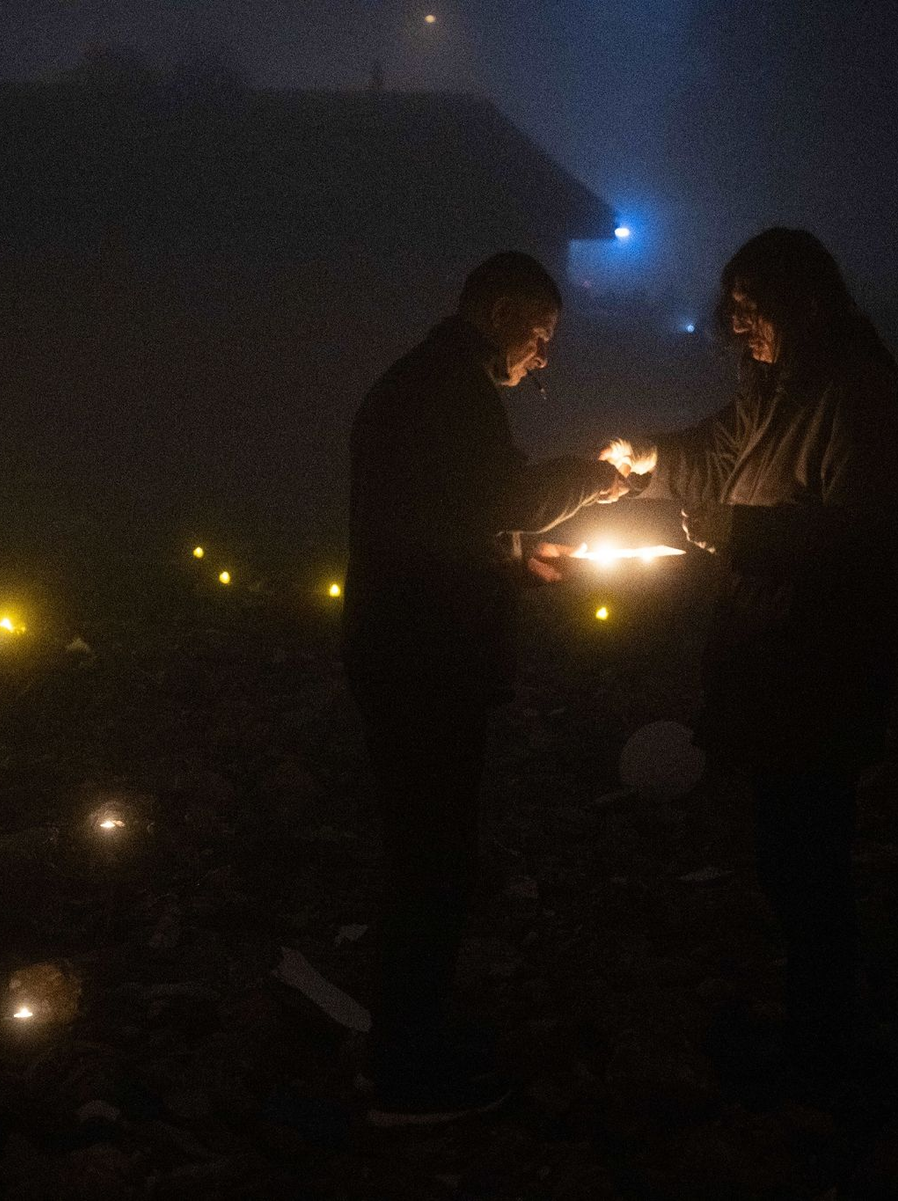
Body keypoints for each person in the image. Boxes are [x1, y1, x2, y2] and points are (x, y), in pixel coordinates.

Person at [601, 227, 898, 1095]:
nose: (737, 326)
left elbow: (863, 532)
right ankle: (816, 1032)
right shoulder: (778, 389)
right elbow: (715, 450)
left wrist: (741, 531)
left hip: (821, 665)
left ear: (801, 302)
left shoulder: (858, 393)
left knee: (810, 860)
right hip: (775, 663)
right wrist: (651, 459)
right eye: (731, 310)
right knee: (786, 853)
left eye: (750, 307)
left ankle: (826, 1054)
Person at [344, 251, 628, 1126]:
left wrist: (513, 562)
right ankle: (408, 1073)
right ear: (502, 311)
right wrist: (597, 476)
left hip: (408, 650)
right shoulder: (448, 390)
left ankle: (411, 1032)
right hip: (424, 661)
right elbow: (502, 492)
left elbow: (441, 518)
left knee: (428, 852)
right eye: (540, 335)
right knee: (431, 861)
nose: (542, 357)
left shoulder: (425, 383)